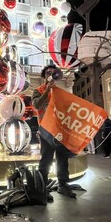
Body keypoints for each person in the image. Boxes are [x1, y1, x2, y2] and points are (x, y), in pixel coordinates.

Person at [32, 64, 77, 198]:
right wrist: (47, 90)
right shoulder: (38, 90)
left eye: (53, 73)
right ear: (44, 77)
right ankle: (42, 188)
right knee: (46, 158)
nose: (51, 75)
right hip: (46, 129)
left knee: (62, 158)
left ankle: (63, 185)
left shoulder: (59, 92)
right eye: (48, 73)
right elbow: (36, 105)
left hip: (60, 130)